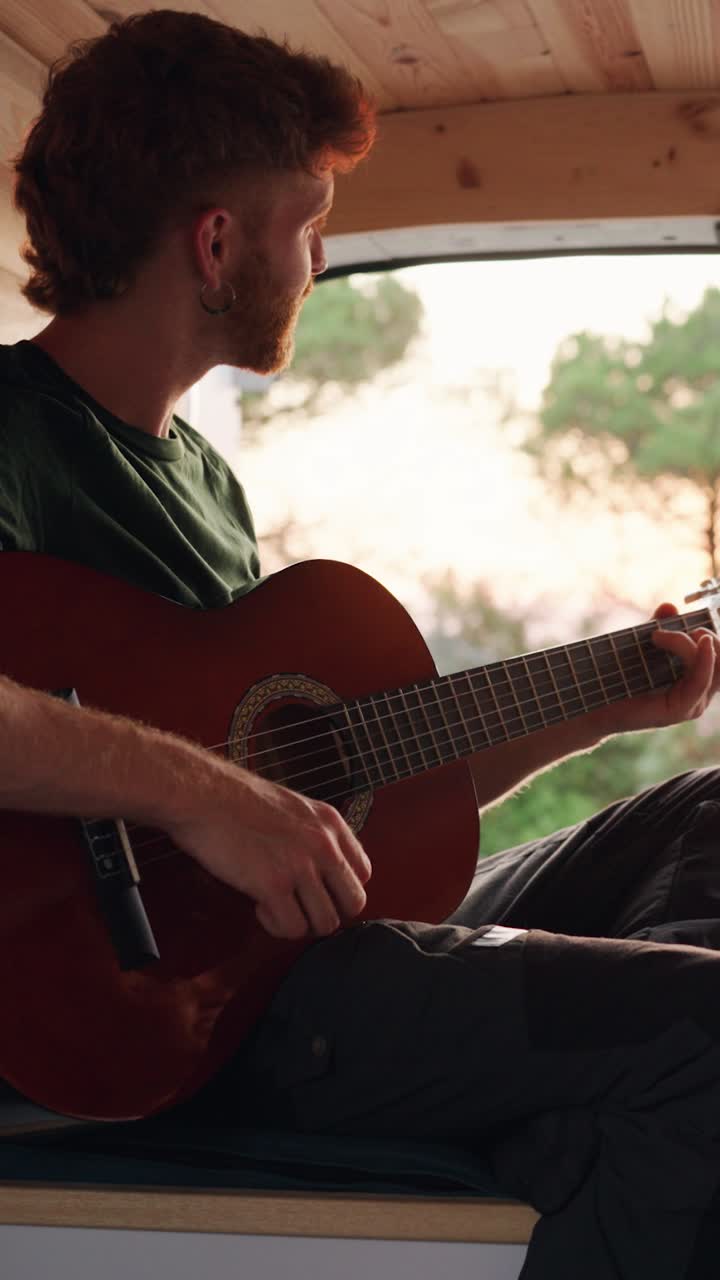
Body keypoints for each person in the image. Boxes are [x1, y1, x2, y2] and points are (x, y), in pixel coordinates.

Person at [1, 11, 720, 1277]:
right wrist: (215, 800)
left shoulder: (206, 483)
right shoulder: (11, 426)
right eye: (310, 222)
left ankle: (606, 1112)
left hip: (306, 951)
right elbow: (234, 807)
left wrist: (611, 701)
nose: (320, 259)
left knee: (706, 808)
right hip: (173, 1008)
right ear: (219, 243)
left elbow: (353, 799)